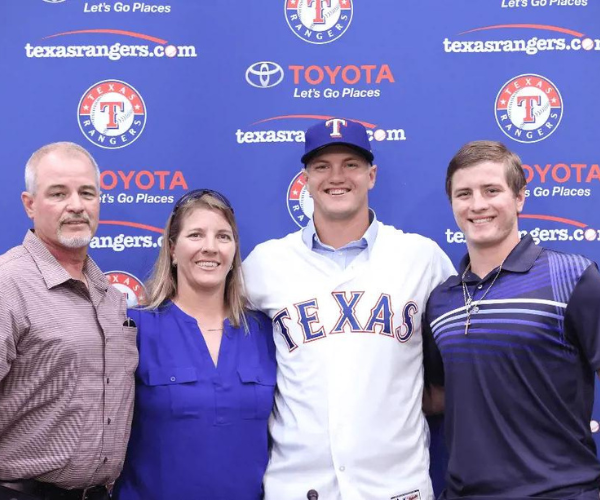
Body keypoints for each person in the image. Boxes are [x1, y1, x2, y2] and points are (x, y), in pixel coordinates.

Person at [243, 118, 455, 500]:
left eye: (351, 165)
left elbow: (467, 355)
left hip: (397, 487)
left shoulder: (422, 259)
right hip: (299, 487)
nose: (336, 176)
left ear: (371, 175)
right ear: (305, 179)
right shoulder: (266, 264)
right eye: (322, 166)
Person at [423, 140, 600, 499]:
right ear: (453, 205)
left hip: (561, 492)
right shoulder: (441, 301)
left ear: (519, 198)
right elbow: (437, 396)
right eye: (464, 194)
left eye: (492, 190)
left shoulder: (573, 277)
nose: (477, 205)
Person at [113, 189, 276, 500]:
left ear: (234, 251)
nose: (210, 248)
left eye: (223, 237)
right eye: (196, 235)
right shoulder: (135, 328)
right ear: (172, 249)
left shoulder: (264, 332)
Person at [0, 142, 137, 500]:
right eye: (58, 193)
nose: (76, 205)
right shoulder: (7, 285)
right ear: (30, 204)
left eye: (87, 193)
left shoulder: (108, 294)